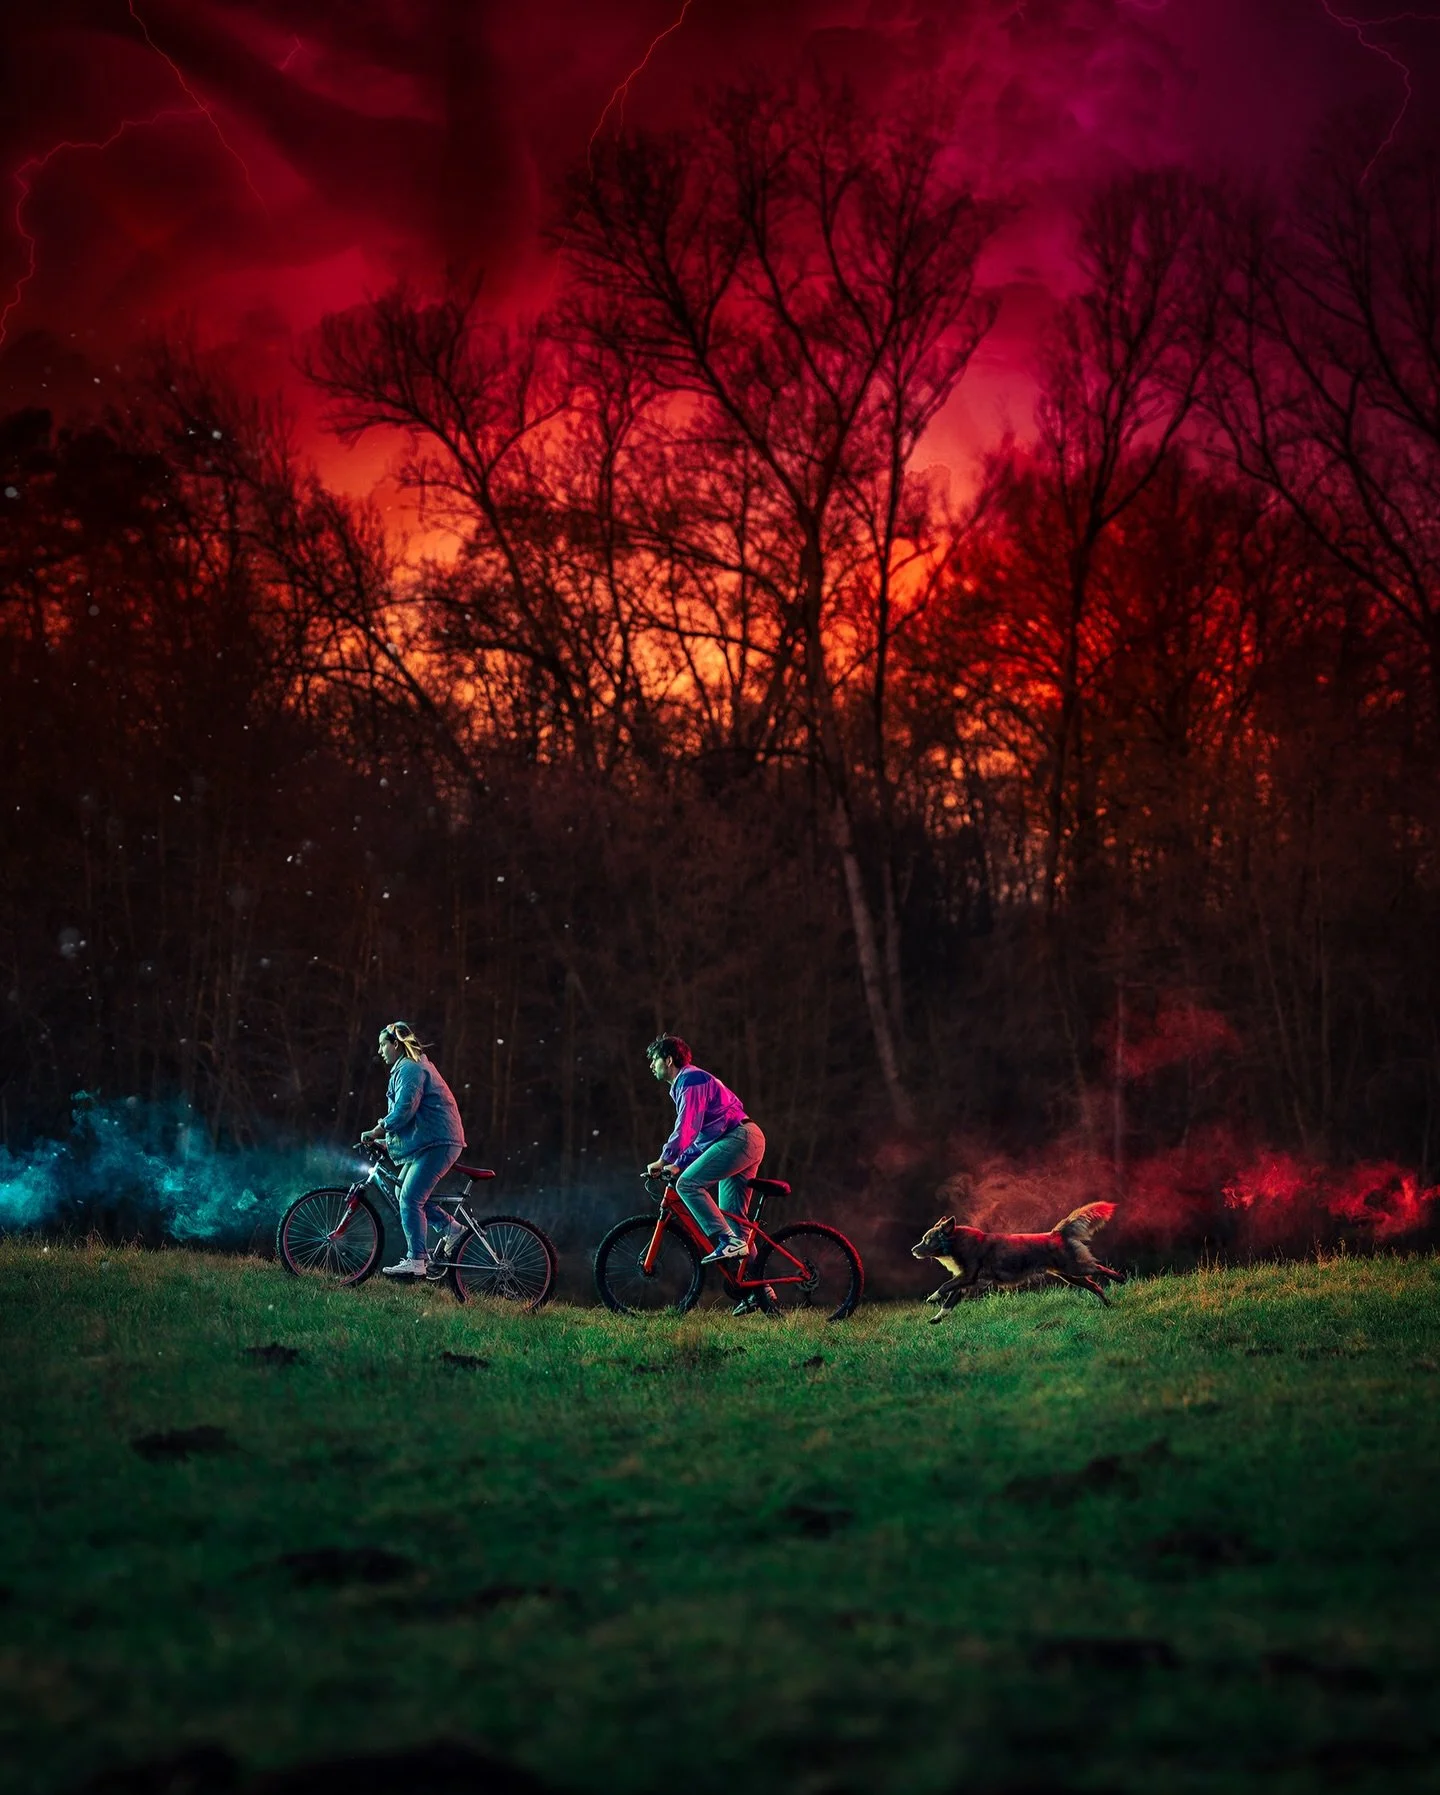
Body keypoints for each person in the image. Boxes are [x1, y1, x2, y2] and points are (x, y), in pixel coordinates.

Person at [645, 1035, 774, 1313]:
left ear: (668, 1060)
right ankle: (761, 1291)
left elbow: (688, 1128)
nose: (651, 1066)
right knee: (735, 1222)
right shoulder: (690, 1082)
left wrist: (665, 1159)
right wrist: (679, 1161)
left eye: (654, 1060)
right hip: (743, 1138)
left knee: (688, 1184)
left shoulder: (689, 1081)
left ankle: (727, 1241)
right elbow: (703, 1135)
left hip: (738, 1139)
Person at [360, 1021, 466, 1279]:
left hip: (439, 1142)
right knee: (404, 1192)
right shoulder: (408, 1067)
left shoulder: (410, 1068)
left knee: (409, 1198)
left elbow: (405, 1110)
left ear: (395, 1044)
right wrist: (386, 1143)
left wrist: (378, 1130)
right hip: (431, 1140)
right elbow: (414, 1119)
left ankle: (417, 1260)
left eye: (383, 1045)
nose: (380, 1051)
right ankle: (452, 1230)